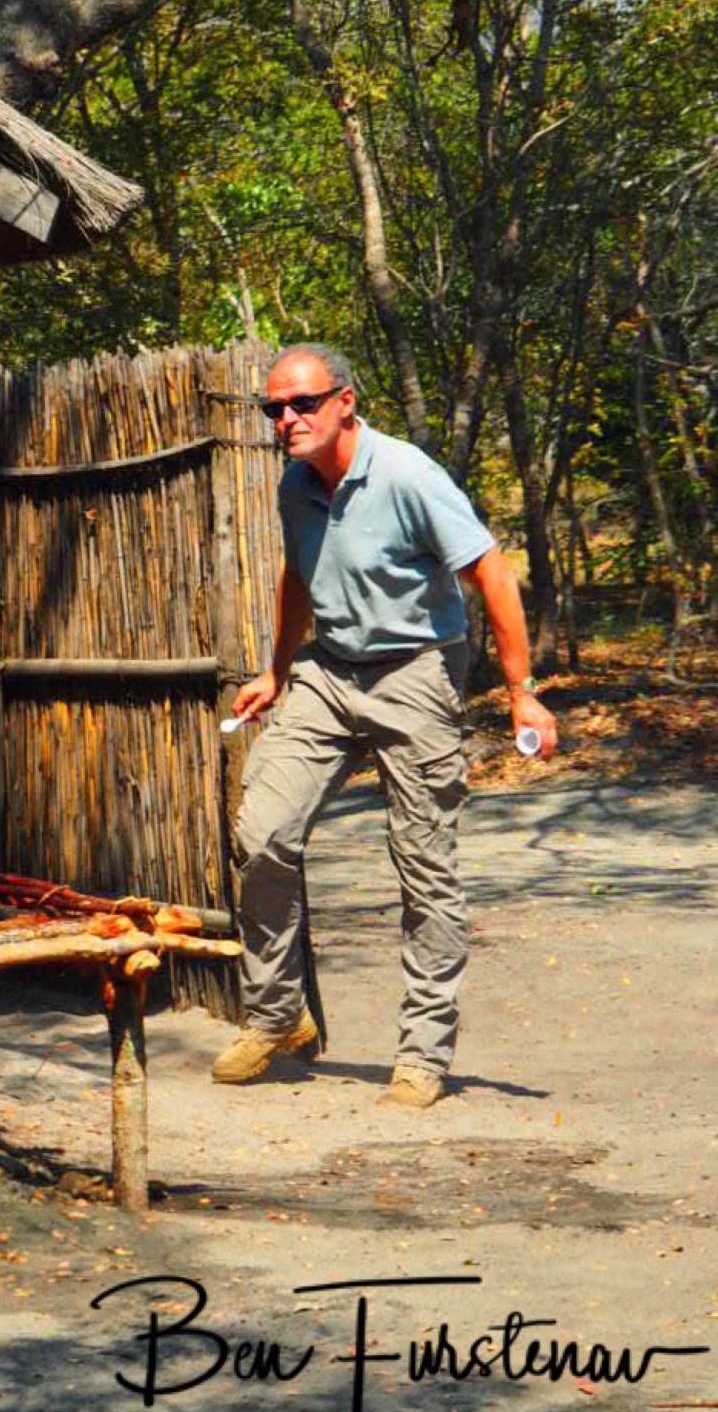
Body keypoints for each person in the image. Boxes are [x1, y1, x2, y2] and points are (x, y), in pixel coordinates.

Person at [212, 343, 557, 1105]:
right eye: (273, 408)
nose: (286, 419)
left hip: (416, 670)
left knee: (422, 862)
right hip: (331, 670)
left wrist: (521, 690)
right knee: (263, 832)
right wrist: (276, 669)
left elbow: (492, 570)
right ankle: (276, 1017)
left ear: (345, 402)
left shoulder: (407, 474)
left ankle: (423, 1055)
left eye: (301, 403)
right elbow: (298, 577)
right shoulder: (296, 485)